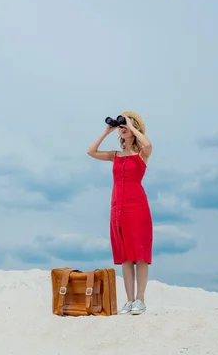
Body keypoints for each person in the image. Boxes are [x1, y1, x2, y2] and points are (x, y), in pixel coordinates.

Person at [86, 110, 153, 315]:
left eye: (127, 126)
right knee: (125, 257)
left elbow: (148, 145)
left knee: (140, 255)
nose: (123, 129)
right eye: (122, 126)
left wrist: (132, 126)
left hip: (138, 207)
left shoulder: (141, 153)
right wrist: (107, 131)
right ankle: (129, 300)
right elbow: (91, 151)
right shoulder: (114, 155)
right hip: (118, 208)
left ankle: (140, 300)